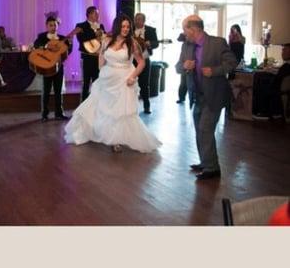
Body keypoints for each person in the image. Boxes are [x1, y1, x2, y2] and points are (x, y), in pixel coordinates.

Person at [65, 14, 161, 153]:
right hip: (107, 78)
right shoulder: (107, 40)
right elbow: (102, 56)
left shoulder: (132, 43)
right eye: (123, 26)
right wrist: (101, 70)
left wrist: (132, 77)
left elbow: (141, 62)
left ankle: (117, 141)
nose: (126, 29)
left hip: (124, 79)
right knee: (99, 107)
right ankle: (100, 133)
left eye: (128, 26)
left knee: (120, 111)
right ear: (117, 27)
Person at [176, 15, 237, 180]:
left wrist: (214, 71)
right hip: (197, 96)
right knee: (199, 130)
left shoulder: (218, 43)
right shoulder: (187, 46)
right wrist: (184, 66)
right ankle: (206, 162)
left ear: (194, 29)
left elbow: (232, 62)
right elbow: (177, 67)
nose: (184, 33)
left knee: (205, 129)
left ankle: (212, 168)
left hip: (214, 95)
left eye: (185, 29)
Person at [34, 16, 73, 122]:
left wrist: (70, 43)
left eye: (55, 25)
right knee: (46, 91)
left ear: (57, 26)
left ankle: (59, 113)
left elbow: (68, 51)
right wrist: (47, 46)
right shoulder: (42, 36)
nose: (53, 27)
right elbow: (36, 45)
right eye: (51, 25)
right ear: (47, 26)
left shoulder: (62, 38)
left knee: (58, 91)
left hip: (59, 67)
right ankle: (44, 114)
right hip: (47, 67)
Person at [75, 6, 106, 101]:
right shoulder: (80, 26)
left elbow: (104, 39)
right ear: (89, 14)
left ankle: (96, 104)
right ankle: (83, 105)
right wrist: (94, 34)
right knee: (86, 83)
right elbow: (81, 39)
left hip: (98, 58)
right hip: (87, 57)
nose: (97, 15)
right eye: (95, 13)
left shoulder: (101, 26)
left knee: (98, 82)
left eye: (98, 13)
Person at [133, 13, 159, 114]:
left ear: (144, 21)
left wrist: (150, 44)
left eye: (139, 19)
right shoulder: (130, 30)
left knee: (144, 84)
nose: (137, 21)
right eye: (136, 19)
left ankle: (146, 106)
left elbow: (156, 43)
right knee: (132, 83)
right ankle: (132, 106)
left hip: (145, 59)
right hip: (132, 61)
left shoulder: (151, 30)